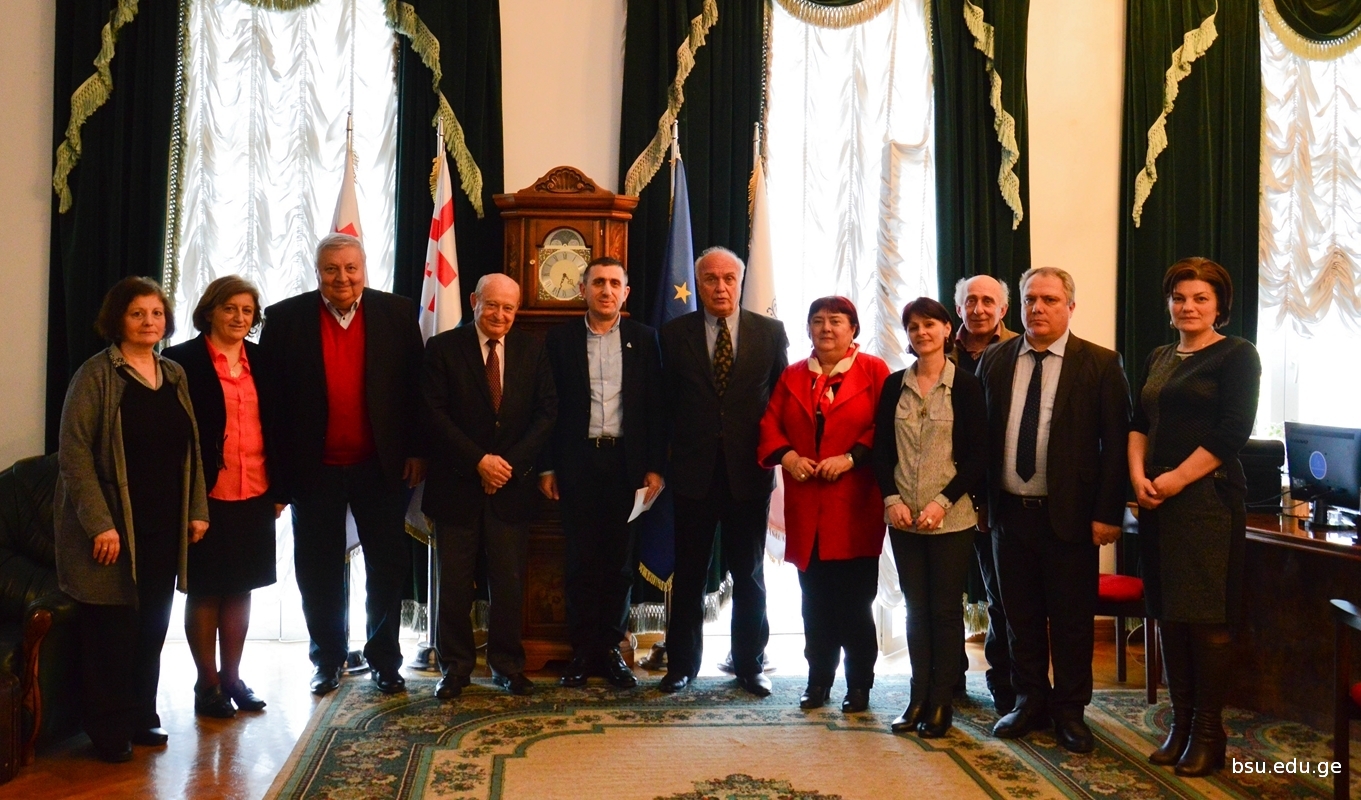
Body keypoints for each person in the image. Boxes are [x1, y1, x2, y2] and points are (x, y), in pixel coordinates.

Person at [258, 233, 426, 697]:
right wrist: (277, 478)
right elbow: (271, 406)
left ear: (364, 267)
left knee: (387, 567)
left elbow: (416, 390)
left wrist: (417, 450)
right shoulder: (285, 318)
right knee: (318, 571)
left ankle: (385, 661)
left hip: (381, 467)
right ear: (317, 272)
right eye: (331, 269)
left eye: (351, 267)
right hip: (313, 470)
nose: (342, 278)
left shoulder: (397, 313)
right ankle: (327, 659)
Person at [975, 267, 1130, 753]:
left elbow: (1116, 444)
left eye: (1049, 299)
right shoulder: (996, 359)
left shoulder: (1100, 363)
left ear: (1070, 307)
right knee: (1017, 617)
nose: (1038, 308)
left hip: (1070, 516)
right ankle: (1029, 702)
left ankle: (1070, 712)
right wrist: (981, 503)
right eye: (1030, 299)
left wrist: (1107, 513)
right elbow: (980, 436)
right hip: (1008, 515)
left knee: (1070, 621)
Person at [55, 277, 209, 762]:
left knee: (152, 626)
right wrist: (100, 524)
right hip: (112, 530)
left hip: (163, 525)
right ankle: (107, 728)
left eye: (156, 313)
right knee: (112, 632)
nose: (149, 322)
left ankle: (142, 715)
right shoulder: (95, 376)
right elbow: (74, 455)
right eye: (137, 313)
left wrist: (197, 510)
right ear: (117, 319)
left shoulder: (174, 373)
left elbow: (192, 449)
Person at [1128, 257, 1259, 776]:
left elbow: (1233, 432)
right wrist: (1138, 478)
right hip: (1155, 501)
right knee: (1169, 615)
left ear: (1219, 306)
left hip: (1207, 502)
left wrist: (1177, 479)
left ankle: (1208, 733)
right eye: (1179, 297)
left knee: (1205, 619)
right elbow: (1138, 422)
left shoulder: (1237, 355)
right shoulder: (1159, 356)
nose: (1188, 306)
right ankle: (1180, 727)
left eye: (1200, 298)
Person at [658, 246, 789, 696]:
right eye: (711, 279)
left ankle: (749, 664)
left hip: (749, 473)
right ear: (698, 284)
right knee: (689, 574)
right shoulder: (674, 334)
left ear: (740, 281)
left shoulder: (769, 333)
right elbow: (662, 405)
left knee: (748, 575)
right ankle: (681, 666)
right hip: (692, 474)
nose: (720, 287)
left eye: (728, 278)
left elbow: (781, 401)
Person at [421, 273, 556, 699]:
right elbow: (433, 414)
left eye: (508, 308)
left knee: (509, 585)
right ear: (474, 301)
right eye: (492, 305)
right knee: (454, 586)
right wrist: (479, 461)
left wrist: (506, 466)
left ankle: (508, 666)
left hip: (511, 488)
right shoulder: (443, 348)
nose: (500, 315)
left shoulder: (532, 349)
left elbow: (547, 412)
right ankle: (455, 668)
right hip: (456, 485)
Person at [757, 297, 889, 712]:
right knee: (814, 604)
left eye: (836, 321)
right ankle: (818, 682)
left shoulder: (874, 371)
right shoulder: (793, 374)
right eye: (818, 321)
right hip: (807, 507)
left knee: (855, 605)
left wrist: (850, 458)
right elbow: (770, 424)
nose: (826, 328)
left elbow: (885, 427)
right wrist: (789, 457)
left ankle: (859, 685)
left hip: (855, 507)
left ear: (853, 329)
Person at [540, 258, 665, 689]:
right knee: (580, 561)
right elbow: (547, 408)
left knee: (619, 565)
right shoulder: (560, 340)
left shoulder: (644, 339)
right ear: (583, 290)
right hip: (576, 464)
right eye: (598, 283)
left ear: (625, 292)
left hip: (627, 467)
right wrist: (548, 466)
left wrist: (655, 468)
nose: (606, 290)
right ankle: (581, 650)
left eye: (614, 283)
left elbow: (656, 408)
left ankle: (611, 648)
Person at [164, 276, 279, 718]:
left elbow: (279, 426)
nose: (239, 317)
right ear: (210, 311)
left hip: (256, 489)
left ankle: (233, 678)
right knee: (206, 588)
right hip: (204, 494)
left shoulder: (263, 361)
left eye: (247, 310)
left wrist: (280, 490)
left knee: (241, 586)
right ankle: (207, 683)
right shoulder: (181, 361)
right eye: (230, 308)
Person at [873, 297, 987, 737]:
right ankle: (917, 697)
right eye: (913, 327)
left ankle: (941, 702)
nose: (921, 333)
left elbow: (977, 458)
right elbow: (881, 451)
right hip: (903, 517)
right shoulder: (893, 385)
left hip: (951, 518)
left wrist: (942, 502)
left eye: (929, 325)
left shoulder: (967, 386)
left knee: (943, 611)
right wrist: (891, 499)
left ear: (946, 330)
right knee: (915, 610)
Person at [950, 275, 1019, 714]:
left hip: (998, 491)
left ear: (1003, 309)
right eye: (970, 301)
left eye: (987, 301)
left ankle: (1004, 683)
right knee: (944, 594)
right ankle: (948, 678)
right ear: (958, 308)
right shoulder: (937, 347)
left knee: (1002, 596)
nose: (978, 309)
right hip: (946, 489)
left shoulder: (1019, 350)